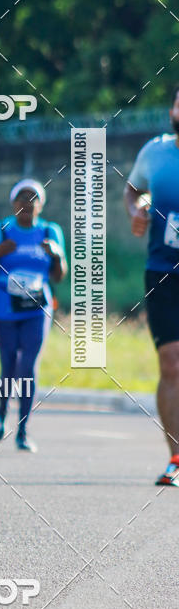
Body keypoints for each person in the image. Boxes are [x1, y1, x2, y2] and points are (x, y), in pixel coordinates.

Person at [0, 180, 67, 452]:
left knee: (28, 366)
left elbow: (59, 276)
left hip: (37, 309)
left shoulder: (51, 231)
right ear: (12, 203)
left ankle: (23, 429)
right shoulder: (1, 230)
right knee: (9, 364)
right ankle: (2, 412)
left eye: (33, 199)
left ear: (41, 204)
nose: (27, 204)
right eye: (21, 199)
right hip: (4, 307)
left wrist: (57, 256)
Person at [124, 89, 179, 486]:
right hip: (162, 271)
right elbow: (132, 190)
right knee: (171, 364)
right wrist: (136, 211)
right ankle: (176, 458)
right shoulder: (155, 152)